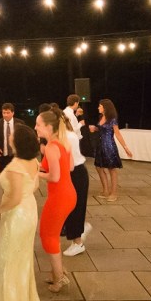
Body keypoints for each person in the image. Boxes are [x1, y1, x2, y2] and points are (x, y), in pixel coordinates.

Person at [0, 123, 43, 301]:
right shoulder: (34, 161)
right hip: (29, 209)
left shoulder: (15, 167)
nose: (9, 137)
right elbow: (35, 187)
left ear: (17, 142)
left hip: (17, 215)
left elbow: (15, 198)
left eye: (12, 135)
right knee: (22, 259)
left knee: (9, 260)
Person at [35, 109, 77, 292]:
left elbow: (54, 176)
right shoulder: (62, 142)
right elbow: (71, 166)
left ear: (48, 127)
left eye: (38, 124)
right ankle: (57, 272)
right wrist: (39, 165)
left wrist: (34, 173)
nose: (35, 127)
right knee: (51, 234)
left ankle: (59, 278)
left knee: (47, 235)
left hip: (60, 197)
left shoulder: (52, 147)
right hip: (68, 194)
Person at [60, 101, 93, 257]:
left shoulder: (68, 137)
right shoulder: (64, 135)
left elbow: (69, 164)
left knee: (75, 208)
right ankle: (79, 230)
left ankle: (78, 243)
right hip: (74, 172)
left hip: (76, 174)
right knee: (72, 209)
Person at [93, 98, 133, 201]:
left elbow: (117, 134)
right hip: (100, 146)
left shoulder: (112, 119)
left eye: (100, 106)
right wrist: (95, 128)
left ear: (105, 107)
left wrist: (125, 148)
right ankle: (105, 190)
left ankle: (114, 193)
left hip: (109, 146)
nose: (98, 107)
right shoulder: (101, 117)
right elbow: (102, 129)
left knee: (112, 169)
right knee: (99, 167)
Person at [0, 102, 21, 173]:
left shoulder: (20, 123)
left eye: (8, 113)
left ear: (13, 113)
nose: (5, 115)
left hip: (16, 156)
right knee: (4, 176)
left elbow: (23, 138)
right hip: (3, 155)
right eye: (4, 113)